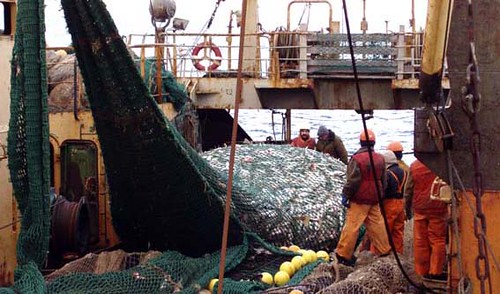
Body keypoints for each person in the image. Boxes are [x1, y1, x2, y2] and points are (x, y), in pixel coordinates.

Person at [335, 129, 391, 266]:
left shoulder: (356, 159)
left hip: (359, 200)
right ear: (374, 142)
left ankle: (343, 254)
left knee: (352, 226)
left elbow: (352, 180)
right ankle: (384, 250)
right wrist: (380, 193)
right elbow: (384, 179)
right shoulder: (380, 158)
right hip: (374, 199)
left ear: (361, 142)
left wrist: (346, 195)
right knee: (378, 225)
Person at [404, 159, 448, 280]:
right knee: (437, 240)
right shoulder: (443, 164)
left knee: (420, 241)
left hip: (420, 208)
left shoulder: (414, 166)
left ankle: (421, 271)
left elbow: (408, 190)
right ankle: (435, 271)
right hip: (438, 207)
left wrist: (407, 209)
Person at [370, 150, 407, 254]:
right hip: (400, 204)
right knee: (398, 232)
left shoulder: (388, 173)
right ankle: (398, 253)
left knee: (382, 231)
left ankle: (377, 253)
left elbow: (383, 190)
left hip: (389, 204)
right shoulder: (402, 171)